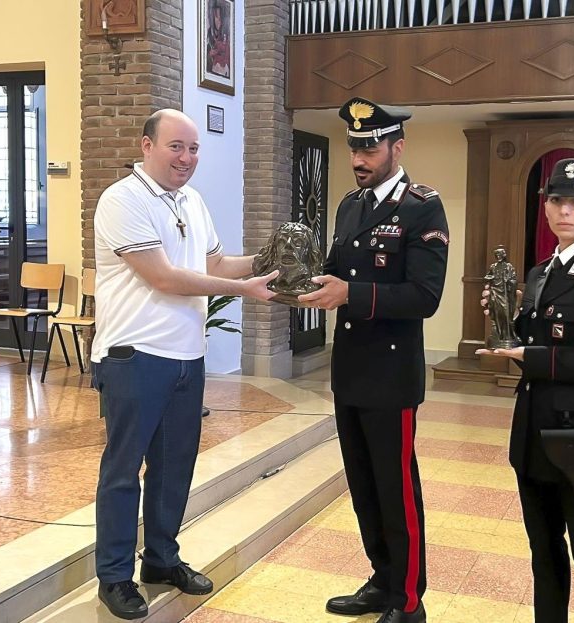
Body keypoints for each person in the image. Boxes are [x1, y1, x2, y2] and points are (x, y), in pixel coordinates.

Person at [90, 109, 277, 620]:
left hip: (185, 358)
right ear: (146, 145)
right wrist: (242, 290)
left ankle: (161, 560)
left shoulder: (191, 201)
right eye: (176, 147)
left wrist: (272, 260)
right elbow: (166, 278)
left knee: (174, 468)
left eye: (193, 149)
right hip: (134, 356)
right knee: (124, 471)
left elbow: (213, 265)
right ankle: (114, 577)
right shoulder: (121, 199)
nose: (187, 158)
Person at [298, 97, 449, 623]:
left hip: (391, 374)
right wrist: (293, 282)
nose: (359, 157)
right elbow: (334, 271)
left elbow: (425, 297)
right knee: (362, 486)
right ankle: (382, 581)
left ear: (396, 147)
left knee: (396, 488)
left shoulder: (422, 206)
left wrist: (350, 295)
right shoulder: (350, 206)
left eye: (370, 146)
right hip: (352, 372)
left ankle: (409, 601)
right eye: (354, 146)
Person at [478, 158, 574, 623]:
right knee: (543, 551)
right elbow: (526, 335)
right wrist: (502, 314)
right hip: (533, 429)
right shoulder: (542, 271)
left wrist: (532, 357)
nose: (566, 210)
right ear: (546, 208)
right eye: (557, 200)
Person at [206, 1, 230, 78]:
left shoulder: (227, 36)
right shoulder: (209, 35)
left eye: (221, 18)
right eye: (216, 17)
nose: (218, 21)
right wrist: (210, 54)